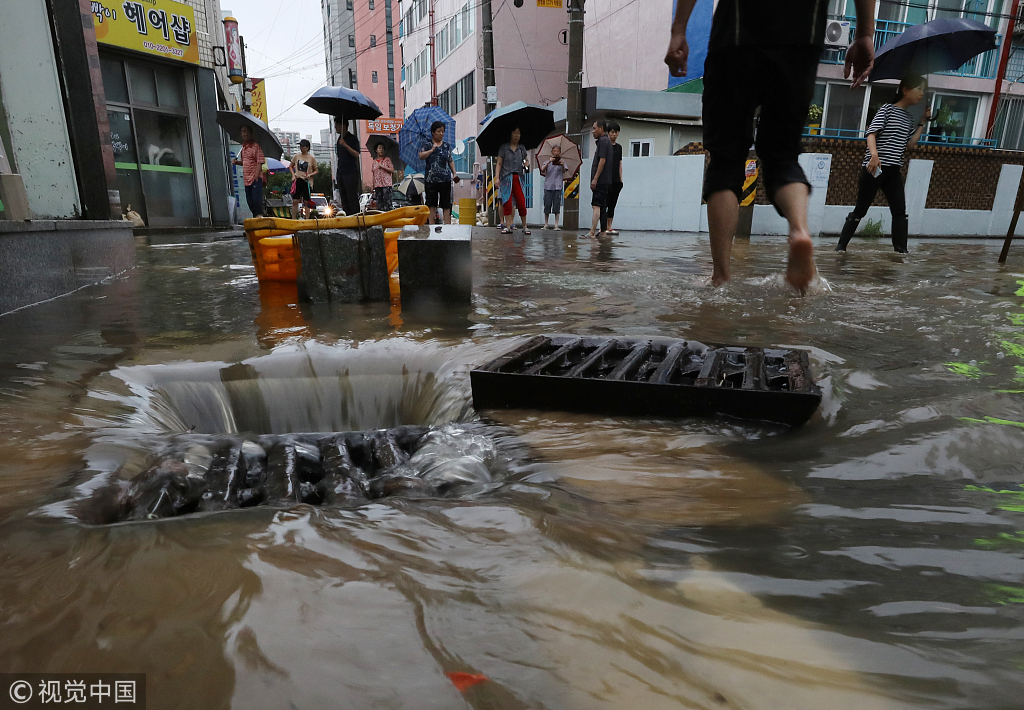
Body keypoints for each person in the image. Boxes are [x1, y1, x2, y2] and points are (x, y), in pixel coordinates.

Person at [665, 0, 875, 294]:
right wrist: (865, 32)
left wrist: (679, 30)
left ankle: (721, 276)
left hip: (736, 34)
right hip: (802, 36)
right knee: (783, 156)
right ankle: (799, 231)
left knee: (726, 159)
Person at [836, 75, 931, 254]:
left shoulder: (909, 118)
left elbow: (910, 145)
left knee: (900, 212)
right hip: (875, 168)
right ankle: (841, 248)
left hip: (893, 171)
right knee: (861, 209)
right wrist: (874, 155)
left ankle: (901, 252)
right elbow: (871, 134)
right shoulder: (886, 110)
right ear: (905, 90)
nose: (921, 94)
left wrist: (922, 123)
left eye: (923, 91)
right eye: (918, 89)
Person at [418, 121, 460, 224]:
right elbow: (421, 156)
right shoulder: (427, 144)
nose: (441, 133)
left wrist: (454, 173)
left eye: (442, 131)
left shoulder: (446, 146)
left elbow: (450, 160)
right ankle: (432, 227)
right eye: (438, 131)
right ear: (433, 132)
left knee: (446, 204)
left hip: (445, 179)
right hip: (431, 180)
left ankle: (447, 227)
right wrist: (431, 150)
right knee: (431, 204)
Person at [495, 127, 530, 234]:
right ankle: (508, 226)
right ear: (510, 134)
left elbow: (526, 160)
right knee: (507, 202)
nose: (517, 135)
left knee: (521, 202)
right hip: (506, 178)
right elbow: (499, 164)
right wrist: (497, 178)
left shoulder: (522, 148)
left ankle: (525, 226)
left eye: (519, 133)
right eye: (514, 133)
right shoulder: (504, 148)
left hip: (518, 177)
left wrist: (527, 164)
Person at [233, 125, 268, 218]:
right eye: (243, 131)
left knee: (256, 200)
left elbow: (260, 162)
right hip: (246, 180)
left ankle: (260, 217)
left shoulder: (256, 146)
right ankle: (255, 218)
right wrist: (237, 162)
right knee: (250, 201)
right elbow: (246, 163)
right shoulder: (243, 148)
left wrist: (256, 176)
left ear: (251, 133)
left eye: (247, 131)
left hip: (255, 178)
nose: (245, 133)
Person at [586, 120, 613, 239]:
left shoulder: (602, 141)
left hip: (601, 180)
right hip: (607, 180)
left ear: (601, 128)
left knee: (596, 205)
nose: (593, 131)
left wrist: (595, 178)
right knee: (602, 206)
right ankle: (602, 232)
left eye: (594, 128)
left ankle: (592, 232)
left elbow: (602, 160)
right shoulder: (608, 141)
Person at [334, 117, 361, 216]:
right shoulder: (339, 140)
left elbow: (356, 154)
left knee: (352, 196)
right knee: (343, 196)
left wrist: (345, 145)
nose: (335, 127)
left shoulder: (352, 138)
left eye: (337, 125)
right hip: (341, 171)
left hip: (351, 172)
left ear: (343, 126)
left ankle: (355, 218)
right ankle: (347, 217)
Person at [540, 144, 570, 230]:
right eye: (555, 151)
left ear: (560, 152)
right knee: (547, 204)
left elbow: (565, 171)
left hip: (558, 186)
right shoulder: (547, 161)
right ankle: (546, 224)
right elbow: (542, 169)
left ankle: (556, 225)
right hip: (548, 186)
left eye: (558, 151)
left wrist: (563, 164)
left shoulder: (562, 161)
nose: (556, 153)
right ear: (552, 152)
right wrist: (549, 162)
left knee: (556, 205)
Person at [289, 139, 318, 219]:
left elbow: (316, 170)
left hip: (307, 181)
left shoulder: (311, 158)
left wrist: (310, 174)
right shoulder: (296, 156)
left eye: (303, 146)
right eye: (300, 146)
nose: (301, 147)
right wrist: (293, 175)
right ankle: (293, 218)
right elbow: (290, 166)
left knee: (306, 201)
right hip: (298, 179)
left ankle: (307, 219)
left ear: (307, 147)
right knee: (295, 200)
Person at [604, 122, 624, 235]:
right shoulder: (605, 146)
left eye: (616, 132)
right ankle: (602, 227)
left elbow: (620, 163)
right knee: (604, 203)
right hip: (607, 180)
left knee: (612, 204)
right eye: (612, 132)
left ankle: (609, 227)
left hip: (616, 180)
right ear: (608, 133)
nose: (614, 134)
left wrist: (621, 179)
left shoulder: (619, 147)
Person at [371, 143, 395, 212]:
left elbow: (392, 170)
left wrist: (383, 166)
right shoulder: (374, 162)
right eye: (379, 148)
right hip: (378, 185)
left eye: (382, 148)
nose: (381, 150)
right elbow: (373, 173)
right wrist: (373, 185)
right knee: (379, 203)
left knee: (387, 203)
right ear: (376, 150)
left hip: (386, 184)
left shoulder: (387, 159)